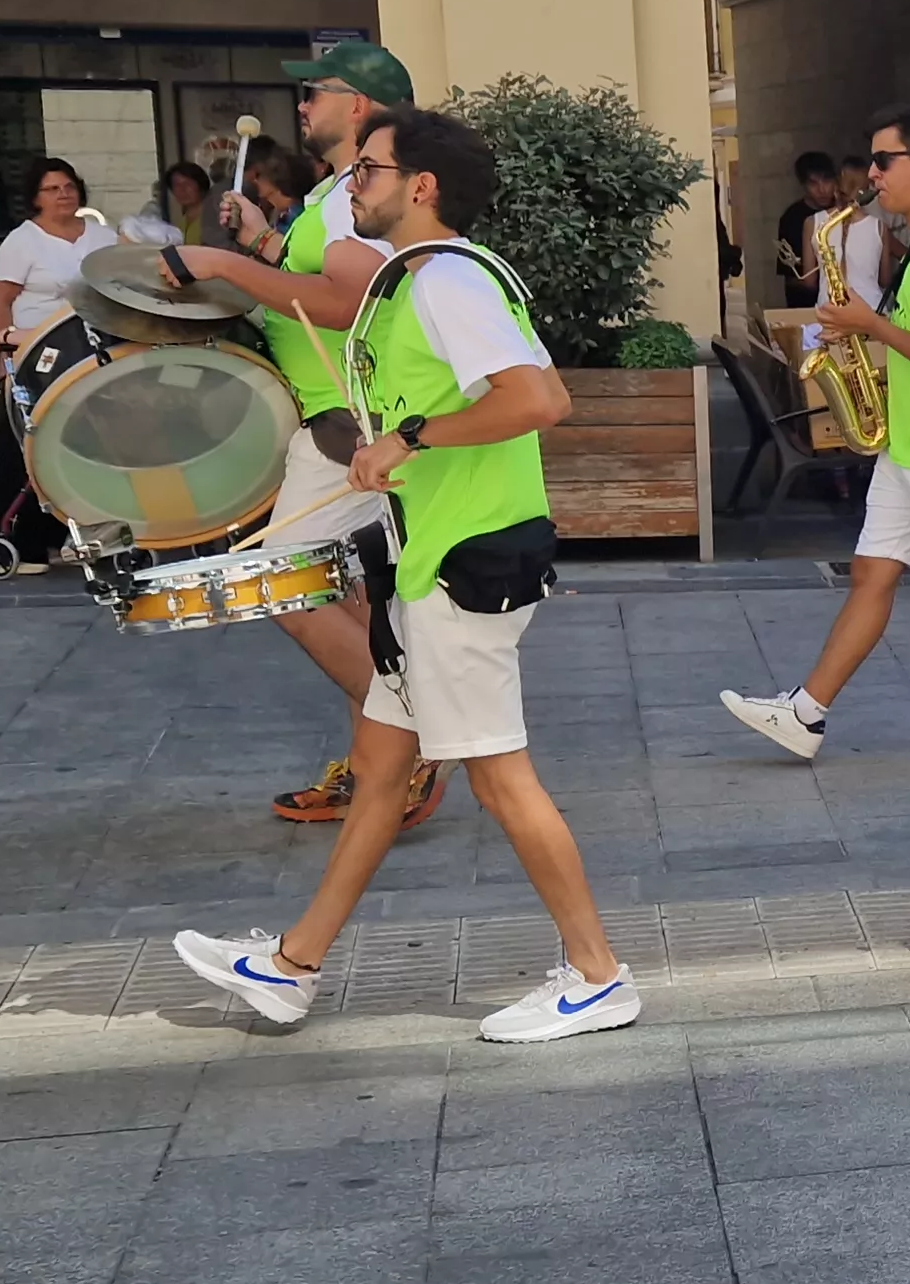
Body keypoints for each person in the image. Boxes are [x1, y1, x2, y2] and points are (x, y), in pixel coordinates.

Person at [173, 107, 636, 1044]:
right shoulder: (422, 277)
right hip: (428, 558)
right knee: (382, 770)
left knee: (500, 779)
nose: (353, 184)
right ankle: (293, 966)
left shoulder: (449, 281)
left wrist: (410, 438)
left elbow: (539, 399)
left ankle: (598, 978)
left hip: (466, 563)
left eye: (370, 170)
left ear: (421, 187)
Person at [168, 39, 439, 831]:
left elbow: (346, 302)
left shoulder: (358, 197)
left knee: (280, 581)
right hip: (338, 421)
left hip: (349, 425)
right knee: (345, 593)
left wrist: (226, 268)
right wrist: (261, 241)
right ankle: (379, 762)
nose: (302, 104)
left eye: (315, 92)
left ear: (358, 105)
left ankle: (409, 740)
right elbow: (316, 275)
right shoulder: (338, 193)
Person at [717, 107, 910, 772]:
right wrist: (866, 336)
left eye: (884, 161)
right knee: (871, 573)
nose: (872, 175)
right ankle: (805, 712)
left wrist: (870, 325)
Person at [0, 157, 113, 566]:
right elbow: (2, 302)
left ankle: (72, 535)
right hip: (34, 355)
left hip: (92, 355)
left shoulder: (103, 236)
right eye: (52, 189)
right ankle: (21, 543)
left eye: (69, 186)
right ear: (35, 197)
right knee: (25, 446)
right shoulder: (22, 241)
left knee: (84, 446)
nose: (63, 194)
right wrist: (3, 358)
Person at [773, 150, 839, 310]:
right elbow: (790, 276)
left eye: (826, 181)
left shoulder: (845, 213)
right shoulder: (791, 219)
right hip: (805, 305)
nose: (822, 189)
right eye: (813, 183)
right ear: (803, 185)